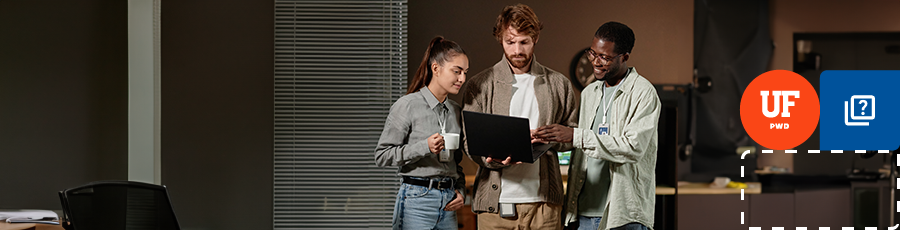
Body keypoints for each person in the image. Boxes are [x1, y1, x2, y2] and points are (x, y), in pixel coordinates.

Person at [461, 4, 578, 229]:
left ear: (535, 39)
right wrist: (489, 159)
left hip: (545, 207)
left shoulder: (559, 84)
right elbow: (469, 141)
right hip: (495, 207)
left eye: (524, 42)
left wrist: (552, 138)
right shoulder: (480, 85)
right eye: (510, 42)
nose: (517, 51)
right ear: (500, 40)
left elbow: (572, 137)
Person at [534, 21, 660, 230]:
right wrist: (550, 137)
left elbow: (633, 148)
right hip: (583, 211)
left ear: (625, 57)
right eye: (592, 54)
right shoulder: (589, 93)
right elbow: (580, 149)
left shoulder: (643, 93)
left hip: (623, 216)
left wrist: (575, 136)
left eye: (605, 57)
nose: (596, 62)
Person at [375, 36, 469, 230]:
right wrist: (424, 146)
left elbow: (455, 163)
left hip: (449, 202)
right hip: (416, 200)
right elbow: (382, 156)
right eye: (457, 71)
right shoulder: (407, 105)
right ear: (436, 68)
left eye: (465, 72)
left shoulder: (456, 110)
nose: (462, 79)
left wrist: (460, 191)